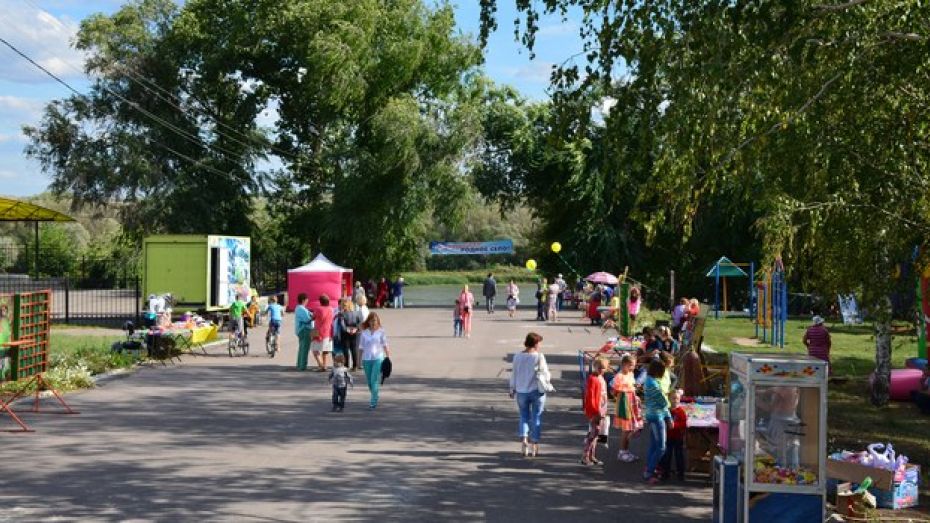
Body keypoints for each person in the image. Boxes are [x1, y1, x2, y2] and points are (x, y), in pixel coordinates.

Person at [509, 332, 550, 458]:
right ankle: (534, 444)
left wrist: (512, 389)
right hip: (536, 391)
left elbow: (514, 374)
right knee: (536, 417)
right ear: (535, 343)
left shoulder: (517, 357)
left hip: (521, 391)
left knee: (523, 416)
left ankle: (524, 440)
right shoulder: (539, 356)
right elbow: (545, 374)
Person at [643, 358, 671, 484]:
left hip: (653, 415)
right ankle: (649, 471)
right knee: (661, 447)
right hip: (656, 417)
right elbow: (663, 402)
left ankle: (650, 468)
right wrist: (668, 415)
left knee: (654, 445)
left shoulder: (651, 380)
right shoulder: (653, 384)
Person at [612, 354, 643, 462]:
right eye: (631, 365)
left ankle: (626, 451)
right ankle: (622, 452)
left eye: (633, 365)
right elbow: (614, 391)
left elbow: (632, 386)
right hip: (625, 404)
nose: (633, 367)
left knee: (630, 428)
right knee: (626, 429)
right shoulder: (619, 376)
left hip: (632, 402)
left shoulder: (630, 373)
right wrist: (625, 391)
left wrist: (635, 391)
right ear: (624, 364)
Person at [359, 312, 391, 409]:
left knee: (374, 380)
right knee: (369, 382)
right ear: (368, 322)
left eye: (375, 321)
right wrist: (358, 360)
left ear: (377, 321)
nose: (373, 323)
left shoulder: (381, 332)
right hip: (366, 359)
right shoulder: (364, 333)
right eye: (371, 321)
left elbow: (385, 344)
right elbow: (361, 347)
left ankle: (373, 401)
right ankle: (375, 394)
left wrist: (388, 357)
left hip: (378, 358)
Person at [582, 358, 610, 466]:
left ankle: (591, 456)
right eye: (600, 368)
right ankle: (585, 456)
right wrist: (596, 411)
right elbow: (591, 397)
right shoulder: (593, 379)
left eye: (603, 368)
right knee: (593, 433)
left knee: (596, 434)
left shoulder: (600, 378)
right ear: (595, 367)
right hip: (596, 410)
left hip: (601, 409)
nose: (602, 370)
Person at [660, 389, 687, 480]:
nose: (675, 400)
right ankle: (665, 472)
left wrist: (674, 425)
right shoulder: (666, 411)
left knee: (679, 455)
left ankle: (681, 473)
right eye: (673, 398)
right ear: (669, 399)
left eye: (677, 399)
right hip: (668, 437)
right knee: (667, 455)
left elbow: (684, 424)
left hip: (678, 437)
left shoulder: (681, 411)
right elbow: (662, 421)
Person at [311, 294, 335, 372]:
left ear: (320, 301)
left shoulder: (318, 309)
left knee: (314, 350)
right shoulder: (331, 309)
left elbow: (313, 317)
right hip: (328, 331)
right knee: (325, 350)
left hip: (317, 330)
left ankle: (321, 365)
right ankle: (324, 365)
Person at [341, 298, 364, 371]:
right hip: (355, 333)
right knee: (354, 349)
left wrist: (347, 330)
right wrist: (356, 329)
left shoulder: (342, 314)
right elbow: (360, 323)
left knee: (345, 350)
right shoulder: (357, 313)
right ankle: (355, 366)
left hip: (345, 333)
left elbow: (342, 325)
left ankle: (346, 365)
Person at [294, 293, 314, 371]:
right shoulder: (301, 309)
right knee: (305, 348)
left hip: (301, 330)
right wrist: (313, 317)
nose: (307, 301)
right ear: (303, 300)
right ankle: (303, 365)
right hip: (304, 329)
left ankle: (299, 364)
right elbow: (307, 319)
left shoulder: (299, 308)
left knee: (302, 347)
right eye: (307, 300)